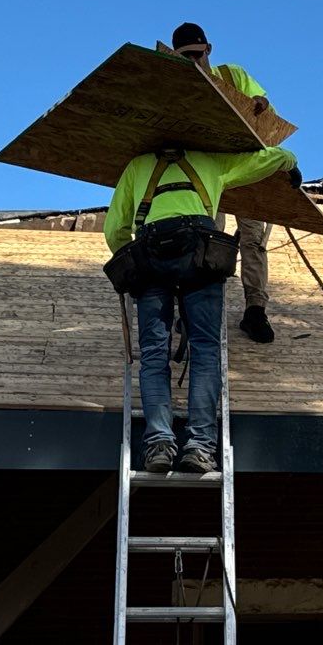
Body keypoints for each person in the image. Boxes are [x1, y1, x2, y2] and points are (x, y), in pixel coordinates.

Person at [104, 141, 298, 473]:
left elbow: (114, 230)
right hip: (200, 255)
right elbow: (261, 160)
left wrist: (135, 266)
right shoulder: (211, 161)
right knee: (206, 349)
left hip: (152, 254)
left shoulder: (137, 166)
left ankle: (158, 443)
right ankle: (201, 446)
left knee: (153, 353)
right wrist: (288, 161)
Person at [170, 22, 281, 344]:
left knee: (253, 239)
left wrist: (260, 106)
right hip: (207, 173)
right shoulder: (179, 88)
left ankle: (255, 310)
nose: (194, 61)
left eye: (197, 54)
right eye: (185, 57)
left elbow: (267, 118)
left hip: (245, 169)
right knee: (206, 237)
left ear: (209, 49)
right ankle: (197, 307)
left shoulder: (232, 75)